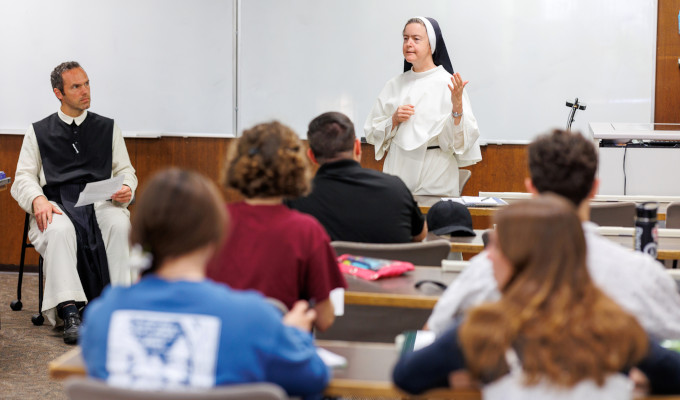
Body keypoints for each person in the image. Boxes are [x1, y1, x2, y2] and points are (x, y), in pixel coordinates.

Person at [393, 196, 680, 398]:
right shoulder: (617, 327)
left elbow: (406, 377)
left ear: (523, 259)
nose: (488, 255)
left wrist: (463, 376)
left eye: (499, 247)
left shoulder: (483, 329)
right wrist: (642, 375)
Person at [80, 169, 329, 397]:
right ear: (216, 236)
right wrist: (295, 335)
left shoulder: (102, 316)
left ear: (138, 233)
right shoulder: (253, 318)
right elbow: (313, 378)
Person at [426, 129, 680, 340]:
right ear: (594, 189)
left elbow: (433, 332)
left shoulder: (487, 270)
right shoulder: (640, 273)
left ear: (531, 188)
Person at [11, 61, 137, 344]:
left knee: (119, 224)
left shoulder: (108, 128)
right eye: (76, 86)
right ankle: (70, 312)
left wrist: (127, 187)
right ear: (59, 93)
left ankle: (115, 307)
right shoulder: (38, 131)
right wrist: (38, 199)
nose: (85, 91)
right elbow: (23, 178)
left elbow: (126, 171)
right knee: (58, 230)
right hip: (55, 203)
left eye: (87, 83)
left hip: (100, 202)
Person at [207, 121, 347, 332]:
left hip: (221, 348)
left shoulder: (212, 222)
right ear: (295, 167)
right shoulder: (307, 231)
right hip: (281, 351)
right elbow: (325, 319)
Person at [364, 17, 482, 197]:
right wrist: (393, 120)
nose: (409, 44)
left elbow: (457, 143)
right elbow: (372, 133)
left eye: (416, 39)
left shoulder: (448, 84)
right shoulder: (394, 85)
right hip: (398, 174)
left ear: (431, 46)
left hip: (435, 176)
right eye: (405, 38)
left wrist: (457, 107)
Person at [286, 111, 427, 243]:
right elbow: (420, 235)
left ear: (311, 156)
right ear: (358, 147)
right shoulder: (396, 189)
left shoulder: (296, 199)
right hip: (389, 269)